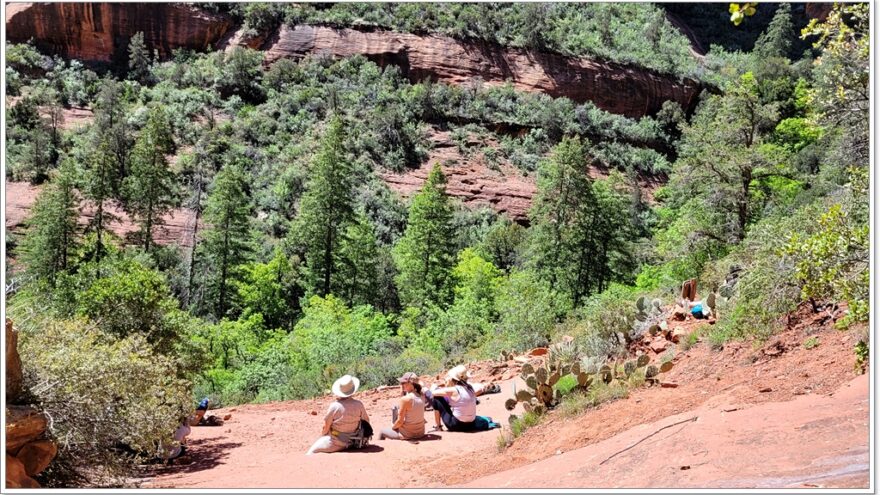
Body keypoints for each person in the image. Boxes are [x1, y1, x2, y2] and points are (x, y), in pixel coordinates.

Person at [306, 374, 371, 455]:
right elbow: (367, 421)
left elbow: (326, 427)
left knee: (311, 451)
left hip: (336, 442)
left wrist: (323, 435)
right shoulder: (359, 404)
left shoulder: (334, 406)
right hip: (354, 441)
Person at [426, 365, 479, 432]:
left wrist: (434, 386)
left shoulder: (454, 390)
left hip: (456, 425)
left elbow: (433, 393)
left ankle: (438, 426)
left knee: (437, 398)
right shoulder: (470, 387)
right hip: (471, 424)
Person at [379, 372, 427, 441]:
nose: (402, 385)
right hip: (420, 432)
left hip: (408, 434)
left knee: (382, 432)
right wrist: (402, 391)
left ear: (411, 383)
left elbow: (400, 422)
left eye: (403, 383)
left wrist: (393, 427)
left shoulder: (406, 399)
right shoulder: (422, 395)